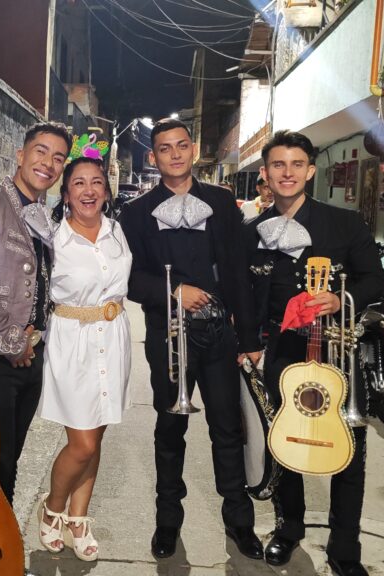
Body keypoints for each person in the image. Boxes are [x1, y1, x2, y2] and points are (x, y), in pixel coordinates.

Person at [117, 118, 262, 561]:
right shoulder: (136, 213)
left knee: (226, 430)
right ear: (153, 157)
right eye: (165, 148)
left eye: (182, 146)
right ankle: (167, 523)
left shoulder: (220, 201)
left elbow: (237, 272)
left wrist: (249, 337)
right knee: (169, 429)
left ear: (193, 150)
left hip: (219, 334)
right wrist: (174, 291)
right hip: (167, 335)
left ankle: (240, 523)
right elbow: (129, 279)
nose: (175, 154)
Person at [243, 130, 384, 576]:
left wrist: (339, 301)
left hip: (338, 353)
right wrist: (246, 344)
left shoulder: (345, 225)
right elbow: (245, 295)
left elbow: (374, 280)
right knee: (287, 446)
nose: (287, 173)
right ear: (265, 174)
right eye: (278, 165)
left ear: (310, 170)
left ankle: (345, 549)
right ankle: (289, 530)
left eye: (296, 165)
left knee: (348, 450)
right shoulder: (253, 233)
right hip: (282, 352)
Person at [0, 121, 71, 504]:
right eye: (41, 151)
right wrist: (11, 343)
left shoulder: (43, 217)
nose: (48, 164)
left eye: (58, 158)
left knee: (12, 457)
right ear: (20, 155)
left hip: (28, 357)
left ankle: (0, 546)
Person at [35, 157, 132, 562]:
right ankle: (53, 507)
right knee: (82, 442)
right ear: (66, 192)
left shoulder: (116, 231)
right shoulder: (54, 239)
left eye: (96, 183)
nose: (89, 190)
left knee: (98, 438)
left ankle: (79, 517)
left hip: (114, 336)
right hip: (72, 341)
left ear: (107, 192)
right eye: (79, 183)